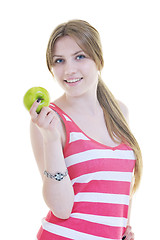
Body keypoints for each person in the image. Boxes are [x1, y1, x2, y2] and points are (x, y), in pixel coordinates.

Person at [30, 19, 142, 240]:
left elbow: (122, 186)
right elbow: (61, 209)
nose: (69, 70)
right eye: (59, 60)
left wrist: (122, 229)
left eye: (80, 56)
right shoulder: (50, 120)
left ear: (98, 59)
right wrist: (51, 139)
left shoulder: (119, 111)